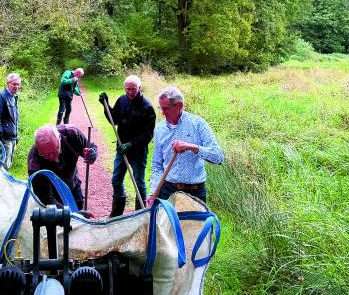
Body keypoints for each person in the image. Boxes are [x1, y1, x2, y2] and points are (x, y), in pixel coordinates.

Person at [149, 86, 224, 204]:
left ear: (179, 106)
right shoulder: (160, 128)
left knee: (195, 223)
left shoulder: (198, 124)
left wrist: (192, 147)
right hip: (168, 191)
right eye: (161, 108)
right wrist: (154, 192)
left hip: (195, 193)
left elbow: (218, 157)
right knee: (165, 222)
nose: (162, 113)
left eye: (166, 108)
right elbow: (157, 165)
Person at [99, 75, 156, 217]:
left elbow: (148, 135)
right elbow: (114, 120)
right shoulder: (122, 100)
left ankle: (140, 214)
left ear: (139, 88)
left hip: (138, 151)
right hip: (121, 149)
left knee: (139, 183)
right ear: (125, 88)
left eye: (133, 89)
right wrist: (106, 106)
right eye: (128, 89)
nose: (130, 92)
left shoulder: (147, 107)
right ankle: (117, 213)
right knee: (116, 180)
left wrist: (131, 144)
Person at [28, 124, 97, 212]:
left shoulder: (73, 135)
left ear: (60, 138)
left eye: (54, 151)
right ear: (38, 149)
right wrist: (72, 214)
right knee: (59, 220)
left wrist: (92, 154)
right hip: (52, 193)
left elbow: (90, 147)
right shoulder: (34, 163)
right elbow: (46, 197)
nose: (51, 157)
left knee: (79, 206)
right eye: (45, 155)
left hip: (72, 183)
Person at [0, 72, 21, 171]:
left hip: (13, 137)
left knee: (8, 164)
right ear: (8, 83)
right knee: (3, 167)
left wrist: (16, 135)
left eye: (18, 84)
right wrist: (0, 136)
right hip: (5, 138)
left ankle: (3, 185)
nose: (16, 86)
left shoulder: (14, 96)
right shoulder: (1, 96)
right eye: (14, 84)